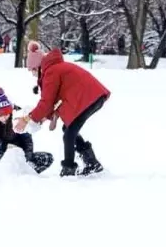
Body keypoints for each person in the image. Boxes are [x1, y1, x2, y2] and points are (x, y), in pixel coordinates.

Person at [15, 47, 110, 177]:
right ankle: (92, 163)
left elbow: (46, 102)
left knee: (69, 134)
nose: (32, 73)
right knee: (68, 129)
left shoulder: (51, 72)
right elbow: (53, 100)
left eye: (32, 70)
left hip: (89, 98)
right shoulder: (55, 68)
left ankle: (69, 170)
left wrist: (26, 119)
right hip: (91, 97)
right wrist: (44, 117)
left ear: (38, 67)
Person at [0, 88, 53, 174]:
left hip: (20, 155)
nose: (4, 117)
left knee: (47, 158)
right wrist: (4, 145)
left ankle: (26, 173)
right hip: (2, 155)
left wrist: (26, 158)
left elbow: (27, 141)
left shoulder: (19, 116)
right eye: (1, 115)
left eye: (6, 114)